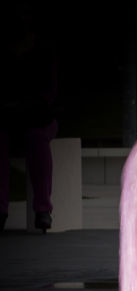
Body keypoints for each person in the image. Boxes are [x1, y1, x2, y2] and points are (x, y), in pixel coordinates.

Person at [0, 11, 57, 232]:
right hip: (9, 120)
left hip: (38, 119)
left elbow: (48, 96)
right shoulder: (5, 56)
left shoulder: (44, 54)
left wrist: (24, 106)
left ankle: (43, 209)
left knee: (37, 138)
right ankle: (1, 209)